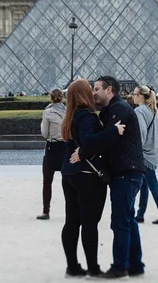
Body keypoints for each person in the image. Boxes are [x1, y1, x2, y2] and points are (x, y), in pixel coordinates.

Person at [76, 75, 146, 279]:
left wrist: (83, 150)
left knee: (120, 222)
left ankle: (120, 267)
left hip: (126, 172)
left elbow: (106, 140)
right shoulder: (112, 110)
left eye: (96, 89)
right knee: (128, 220)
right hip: (128, 171)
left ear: (109, 90)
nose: (93, 93)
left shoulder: (119, 110)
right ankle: (135, 265)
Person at [60, 79, 124, 278]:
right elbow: (88, 141)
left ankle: (72, 267)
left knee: (71, 222)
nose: (93, 92)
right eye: (90, 89)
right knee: (89, 223)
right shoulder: (86, 115)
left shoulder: (69, 116)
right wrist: (113, 131)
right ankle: (93, 269)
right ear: (82, 94)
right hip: (87, 176)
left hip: (68, 174)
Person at [133, 85, 158, 225]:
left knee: (152, 185)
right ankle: (140, 215)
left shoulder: (139, 111)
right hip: (152, 152)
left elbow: (142, 135)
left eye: (135, 94)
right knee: (144, 185)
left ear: (141, 97)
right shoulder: (153, 110)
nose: (133, 96)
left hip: (145, 155)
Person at [36, 89, 66, 220]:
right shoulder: (68, 111)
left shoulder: (47, 112)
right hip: (65, 147)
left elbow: (44, 134)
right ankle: (70, 210)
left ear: (51, 98)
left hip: (51, 148)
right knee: (68, 181)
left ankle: (45, 211)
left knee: (47, 182)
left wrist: (42, 124)